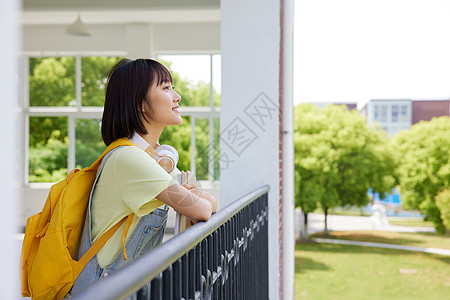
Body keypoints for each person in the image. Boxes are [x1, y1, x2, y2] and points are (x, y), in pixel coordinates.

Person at [70, 58, 217, 295]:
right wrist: (204, 200)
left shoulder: (151, 159)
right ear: (141, 104)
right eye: (166, 88)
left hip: (120, 288)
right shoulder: (129, 160)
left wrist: (204, 200)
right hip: (103, 291)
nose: (177, 96)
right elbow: (200, 208)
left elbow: (202, 200)